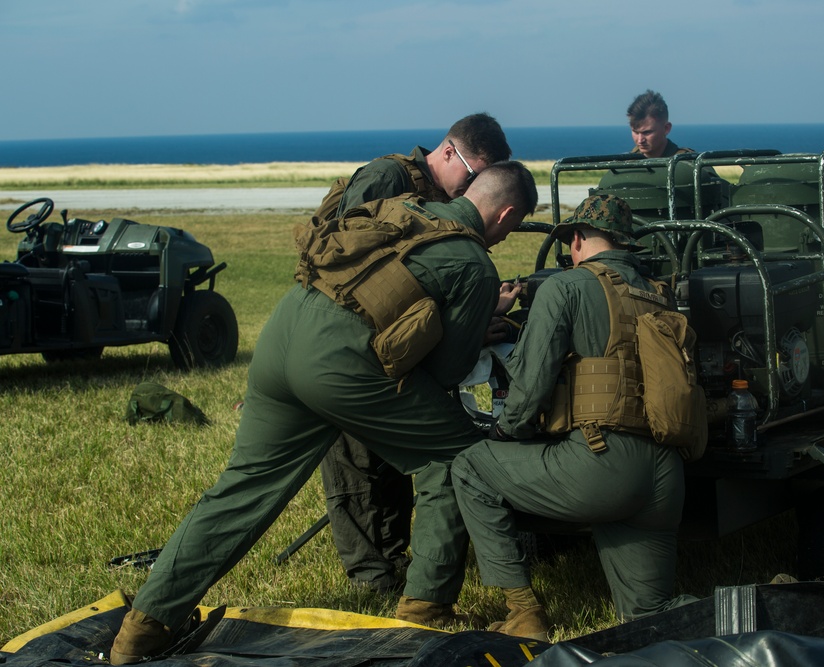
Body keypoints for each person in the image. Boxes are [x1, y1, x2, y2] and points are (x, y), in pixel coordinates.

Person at [110, 161, 539, 665]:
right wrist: (478, 322)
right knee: (456, 461)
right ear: (507, 215)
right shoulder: (473, 262)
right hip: (340, 362)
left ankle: (143, 627)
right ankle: (427, 610)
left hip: (284, 335)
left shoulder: (404, 208)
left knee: (242, 487)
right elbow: (446, 373)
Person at [452, 194, 686, 641]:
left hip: (600, 464)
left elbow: (530, 385)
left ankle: (524, 614)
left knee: (470, 468)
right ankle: (760, 606)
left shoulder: (567, 286)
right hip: (663, 470)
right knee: (653, 618)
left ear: (577, 238)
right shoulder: (657, 294)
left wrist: (506, 430)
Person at [312, 113, 514, 594]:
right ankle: (372, 577)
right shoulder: (388, 179)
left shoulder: (440, 198)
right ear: (448, 153)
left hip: (397, 344)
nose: (473, 192)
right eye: (473, 177)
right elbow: (354, 269)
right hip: (355, 340)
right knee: (356, 460)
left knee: (393, 463)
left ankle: (393, 560)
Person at [627, 89, 693, 158]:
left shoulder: (687, 162)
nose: (640, 140)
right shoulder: (624, 162)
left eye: (647, 132)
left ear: (666, 128)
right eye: (636, 132)